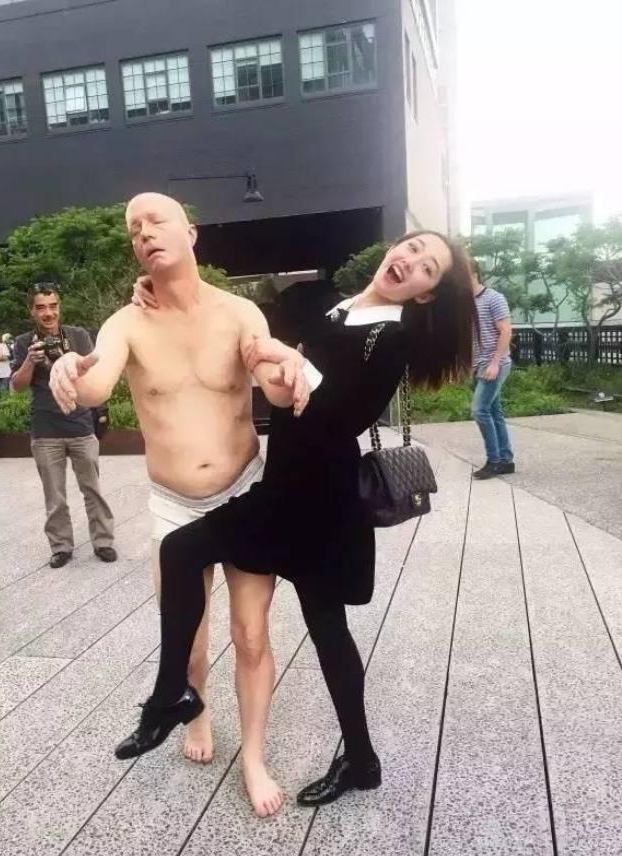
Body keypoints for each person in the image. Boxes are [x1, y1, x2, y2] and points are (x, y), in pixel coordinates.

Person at [62, 230, 476, 808]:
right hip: (280, 491)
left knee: (328, 633)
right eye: (411, 248)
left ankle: (360, 760)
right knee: (181, 550)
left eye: (427, 267)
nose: (409, 262)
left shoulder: (392, 337)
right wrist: (156, 286)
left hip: (322, 505)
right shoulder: (336, 307)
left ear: (427, 293)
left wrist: (298, 366)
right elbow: (235, 317)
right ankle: (174, 694)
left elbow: (345, 418)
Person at [48, 192, 310, 817]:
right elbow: (96, 381)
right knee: (189, 642)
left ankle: (253, 756)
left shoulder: (239, 313)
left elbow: (274, 387)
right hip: (174, 506)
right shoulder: (127, 322)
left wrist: (288, 368)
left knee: (251, 636)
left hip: (244, 493)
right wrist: (69, 371)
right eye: (134, 229)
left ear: (190, 233)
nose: (144, 232)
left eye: (156, 221)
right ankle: (196, 711)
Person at [11, 286, 116, 569]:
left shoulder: (78, 336)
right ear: (32, 311)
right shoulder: (24, 342)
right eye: (41, 307)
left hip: (81, 425)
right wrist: (29, 362)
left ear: (59, 307)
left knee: (93, 490)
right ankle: (60, 546)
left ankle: (103, 542)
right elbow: (17, 386)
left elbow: (96, 374)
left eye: (53, 305)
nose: (48, 313)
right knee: (54, 496)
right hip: (45, 430)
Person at [469, 258, 515, 479]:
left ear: (473, 272)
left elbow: (506, 331)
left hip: (494, 363)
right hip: (478, 364)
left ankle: (494, 461)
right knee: (494, 412)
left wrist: (495, 363)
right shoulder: (465, 303)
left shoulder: (494, 298)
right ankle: (506, 460)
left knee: (479, 410)